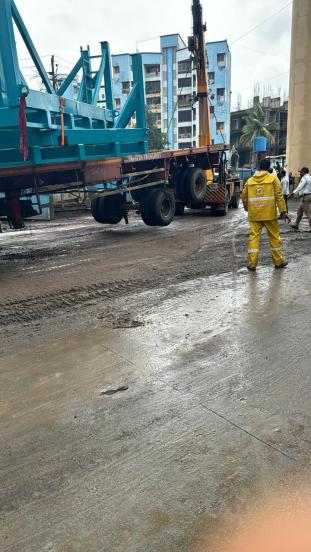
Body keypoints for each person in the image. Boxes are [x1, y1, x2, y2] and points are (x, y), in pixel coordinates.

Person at [242, 158, 290, 271]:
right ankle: (278, 261)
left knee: (253, 238)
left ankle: (252, 263)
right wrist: (284, 212)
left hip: (255, 215)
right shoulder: (273, 179)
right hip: (269, 214)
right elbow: (279, 196)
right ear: (269, 167)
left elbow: (244, 197)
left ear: (259, 167)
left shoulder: (250, 181)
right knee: (274, 237)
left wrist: (248, 209)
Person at [290, 166, 311, 232]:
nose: (300, 173)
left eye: (301, 172)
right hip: (308, 196)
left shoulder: (304, 178)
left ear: (304, 172)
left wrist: (293, 193)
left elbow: (300, 186)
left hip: (305, 197)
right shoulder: (310, 177)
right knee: (299, 212)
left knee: (309, 213)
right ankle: (296, 225)